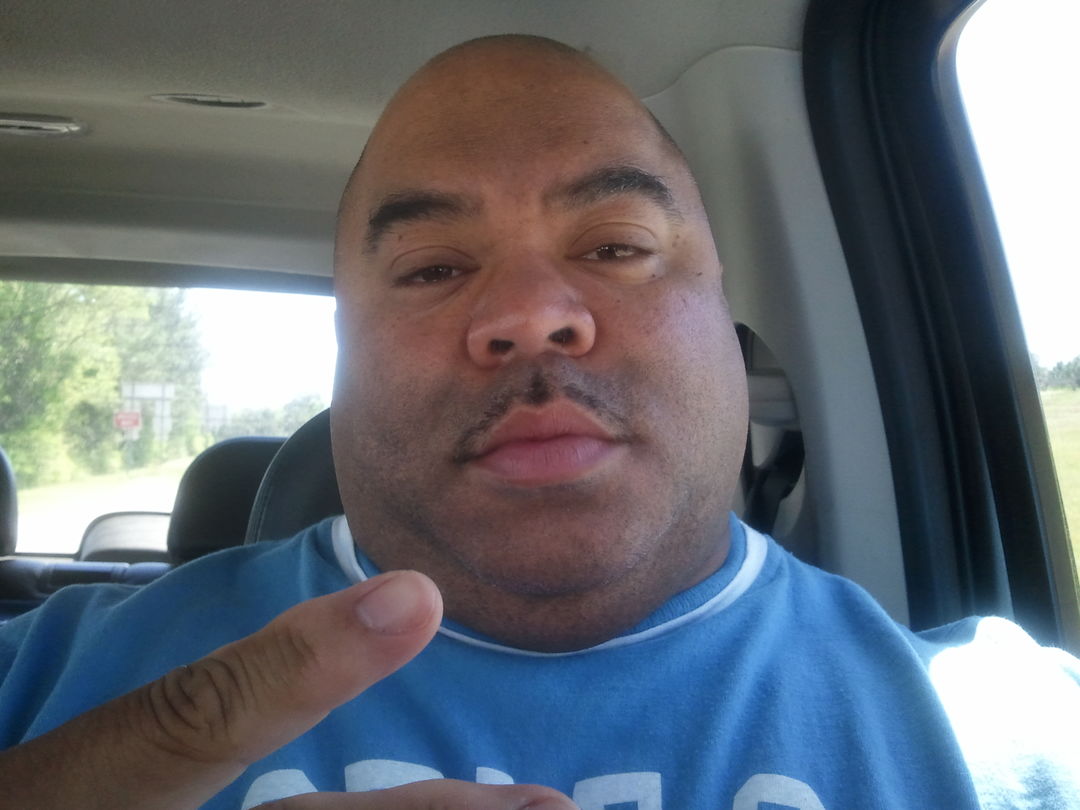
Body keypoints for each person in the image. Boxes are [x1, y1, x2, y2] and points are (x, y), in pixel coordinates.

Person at [0, 35, 1078, 810]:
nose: (526, 314)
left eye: (615, 246)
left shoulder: (1011, 731)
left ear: (729, 320)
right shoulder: (43, 679)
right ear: (341, 351)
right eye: (432, 267)